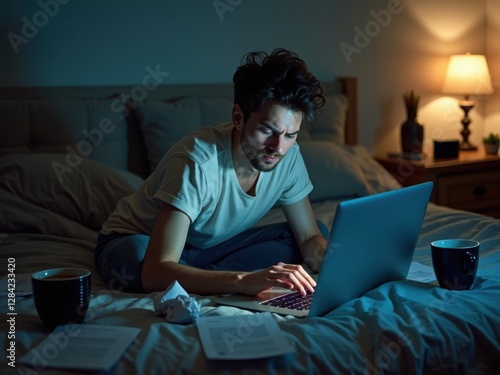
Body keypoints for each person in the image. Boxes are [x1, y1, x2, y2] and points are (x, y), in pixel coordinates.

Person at [94, 48, 329, 296]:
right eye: (268, 130)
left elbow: (308, 237)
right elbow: (155, 271)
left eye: (290, 135)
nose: (278, 147)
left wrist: (342, 268)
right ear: (238, 117)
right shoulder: (196, 162)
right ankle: (205, 277)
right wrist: (241, 281)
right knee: (136, 259)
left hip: (207, 250)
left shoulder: (288, 156)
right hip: (142, 243)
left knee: (316, 240)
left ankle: (198, 276)